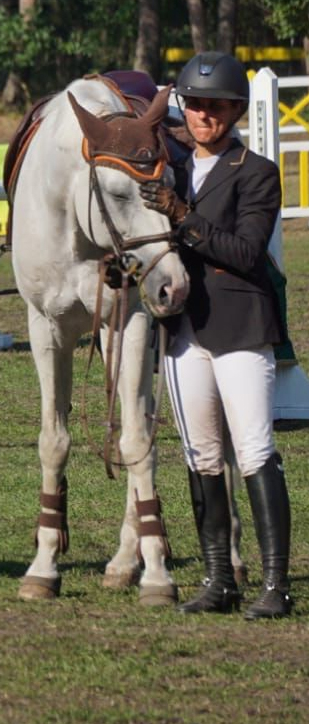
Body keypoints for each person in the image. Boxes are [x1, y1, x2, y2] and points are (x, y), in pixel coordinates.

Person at [140, 51, 294, 619]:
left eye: (215, 106)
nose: (203, 115)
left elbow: (246, 252)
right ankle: (218, 578)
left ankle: (276, 585)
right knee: (200, 455)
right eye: (196, 104)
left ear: (234, 111)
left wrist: (182, 215)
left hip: (239, 325)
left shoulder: (256, 173)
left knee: (254, 450)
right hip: (183, 330)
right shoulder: (171, 171)